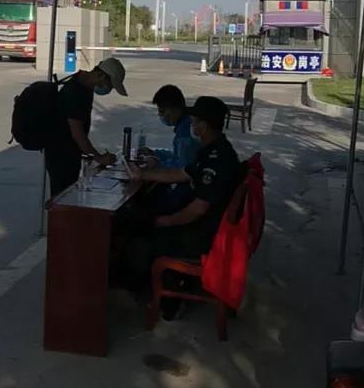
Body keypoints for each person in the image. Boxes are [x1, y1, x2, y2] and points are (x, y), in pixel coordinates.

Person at [127, 96, 243, 317]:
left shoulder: (217, 160)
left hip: (206, 234)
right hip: (205, 225)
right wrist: (143, 174)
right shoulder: (210, 150)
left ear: (204, 126)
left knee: (148, 232)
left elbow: (198, 208)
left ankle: (170, 301)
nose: (191, 125)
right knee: (148, 216)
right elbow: (181, 174)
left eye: (194, 121)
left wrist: (166, 221)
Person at [45, 57, 128, 196]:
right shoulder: (76, 92)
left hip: (69, 152)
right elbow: (77, 134)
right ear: (102, 76)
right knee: (63, 198)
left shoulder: (83, 83)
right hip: (61, 155)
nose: (109, 89)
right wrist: (99, 158)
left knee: (67, 195)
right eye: (110, 85)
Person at [140, 84, 201, 170]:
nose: (160, 115)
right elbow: (177, 156)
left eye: (162, 111)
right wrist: (154, 153)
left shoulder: (185, 133)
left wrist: (158, 165)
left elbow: (182, 168)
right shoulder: (183, 125)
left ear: (174, 108)